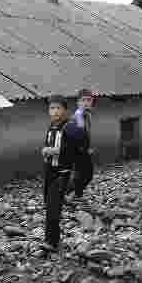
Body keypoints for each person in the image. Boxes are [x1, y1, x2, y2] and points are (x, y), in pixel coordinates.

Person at [41, 95, 84, 252]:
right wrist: (45, 151)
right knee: (49, 204)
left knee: (53, 207)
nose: (55, 112)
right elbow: (48, 147)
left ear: (65, 111)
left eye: (58, 108)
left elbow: (79, 150)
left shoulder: (70, 127)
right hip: (49, 172)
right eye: (52, 108)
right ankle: (52, 238)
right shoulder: (52, 128)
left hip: (63, 173)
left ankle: (51, 242)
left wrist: (55, 151)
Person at [69, 89, 96, 202]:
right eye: (83, 100)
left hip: (83, 148)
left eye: (88, 100)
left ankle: (76, 194)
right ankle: (67, 193)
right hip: (78, 149)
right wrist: (85, 149)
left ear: (92, 101)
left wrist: (88, 147)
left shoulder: (87, 114)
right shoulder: (79, 115)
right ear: (78, 102)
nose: (86, 103)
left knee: (85, 174)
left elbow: (87, 133)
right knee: (85, 174)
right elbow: (80, 134)